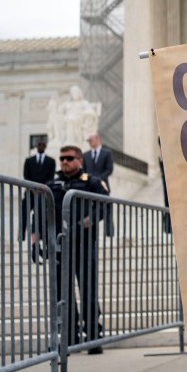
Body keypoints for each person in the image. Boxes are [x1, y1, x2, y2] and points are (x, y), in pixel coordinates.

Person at [47, 145, 110, 353]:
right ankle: (69, 338)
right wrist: (34, 240)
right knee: (63, 295)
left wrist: (86, 222)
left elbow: (104, 204)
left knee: (88, 292)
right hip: (60, 247)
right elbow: (40, 212)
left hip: (84, 245)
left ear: (79, 160)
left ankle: (93, 337)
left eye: (69, 158)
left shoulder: (91, 182)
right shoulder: (52, 184)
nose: (64, 162)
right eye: (62, 158)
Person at [21, 138, 56, 240]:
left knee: (41, 214)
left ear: (45, 146)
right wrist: (33, 188)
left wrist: (42, 189)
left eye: (43, 144)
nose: (41, 146)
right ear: (36, 145)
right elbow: (26, 176)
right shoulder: (29, 161)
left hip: (43, 193)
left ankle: (40, 235)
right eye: (39, 144)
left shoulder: (51, 161)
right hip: (30, 192)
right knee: (24, 213)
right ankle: (21, 236)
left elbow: (51, 177)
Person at [84, 132, 115, 236]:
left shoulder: (107, 153)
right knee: (89, 212)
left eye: (91, 140)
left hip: (103, 187)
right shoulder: (86, 155)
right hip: (89, 188)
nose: (89, 142)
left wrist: (97, 179)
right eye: (88, 141)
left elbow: (109, 170)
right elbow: (83, 172)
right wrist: (87, 180)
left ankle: (109, 233)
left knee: (107, 210)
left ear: (97, 139)